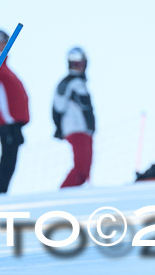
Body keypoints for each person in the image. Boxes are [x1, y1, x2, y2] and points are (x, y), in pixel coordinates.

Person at [0, 29, 30, 195]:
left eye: (5, 41)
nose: (2, 45)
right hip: (7, 124)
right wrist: (7, 122)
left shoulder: (3, 66)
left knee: (10, 160)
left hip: (12, 123)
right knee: (7, 161)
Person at [52, 47, 95, 188]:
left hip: (85, 131)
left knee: (85, 170)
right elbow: (58, 107)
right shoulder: (67, 83)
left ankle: (75, 194)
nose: (78, 68)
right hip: (75, 129)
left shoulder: (80, 83)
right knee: (81, 169)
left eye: (80, 64)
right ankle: (63, 193)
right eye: (74, 64)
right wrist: (59, 128)